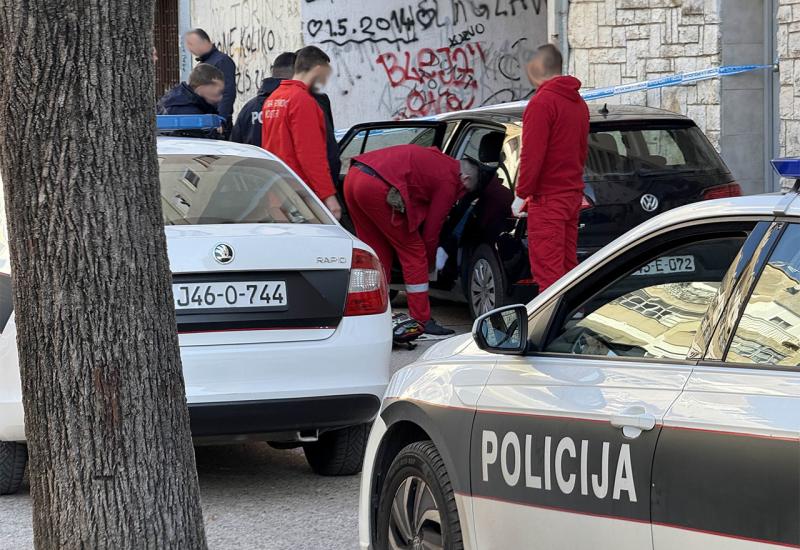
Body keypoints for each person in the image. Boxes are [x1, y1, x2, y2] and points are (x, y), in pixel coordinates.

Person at [343, 144, 465, 336]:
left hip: (354, 177)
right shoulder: (450, 181)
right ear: (465, 178)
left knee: (375, 256)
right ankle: (421, 319)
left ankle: (368, 315)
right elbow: (432, 230)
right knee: (414, 252)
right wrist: (430, 262)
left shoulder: (438, 157)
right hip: (376, 187)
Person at [514, 44, 589, 292]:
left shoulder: (542, 103)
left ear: (536, 68)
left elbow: (532, 156)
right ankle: (571, 321)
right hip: (572, 195)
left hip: (548, 199)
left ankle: (549, 329)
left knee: (548, 275)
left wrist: (521, 194)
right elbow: (579, 150)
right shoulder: (577, 103)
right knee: (568, 269)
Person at [230, 51, 342, 181]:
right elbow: (325, 154)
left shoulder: (249, 108)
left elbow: (235, 152)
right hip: (299, 187)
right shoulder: (305, 103)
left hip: (257, 187)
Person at [261, 46, 342, 219]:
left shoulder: (273, 98)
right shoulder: (302, 100)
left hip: (278, 192)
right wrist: (328, 196)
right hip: (301, 195)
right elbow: (311, 155)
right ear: (318, 69)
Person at [184, 28, 236, 137]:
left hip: (217, 126)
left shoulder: (221, 61)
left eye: (191, 44)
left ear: (205, 42)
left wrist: (220, 119)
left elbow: (227, 92)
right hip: (204, 122)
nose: (189, 48)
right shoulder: (202, 64)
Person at [157, 63, 224, 116]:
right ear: (202, 88)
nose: (220, 98)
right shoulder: (190, 113)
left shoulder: (177, 100)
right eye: (218, 92)